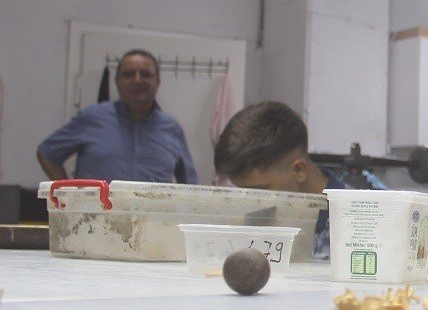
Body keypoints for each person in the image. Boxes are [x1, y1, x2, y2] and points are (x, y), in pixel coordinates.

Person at [37, 49, 198, 184]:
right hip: (96, 220)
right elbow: (47, 153)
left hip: (152, 220)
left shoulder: (172, 128)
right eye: (128, 74)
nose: (137, 80)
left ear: (158, 81)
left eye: (145, 74)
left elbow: (190, 184)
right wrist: (68, 195)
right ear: (117, 81)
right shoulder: (92, 117)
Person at [213, 101, 347, 259]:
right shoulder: (254, 221)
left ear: (298, 170)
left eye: (260, 192)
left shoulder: (354, 224)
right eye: (244, 192)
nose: (252, 204)